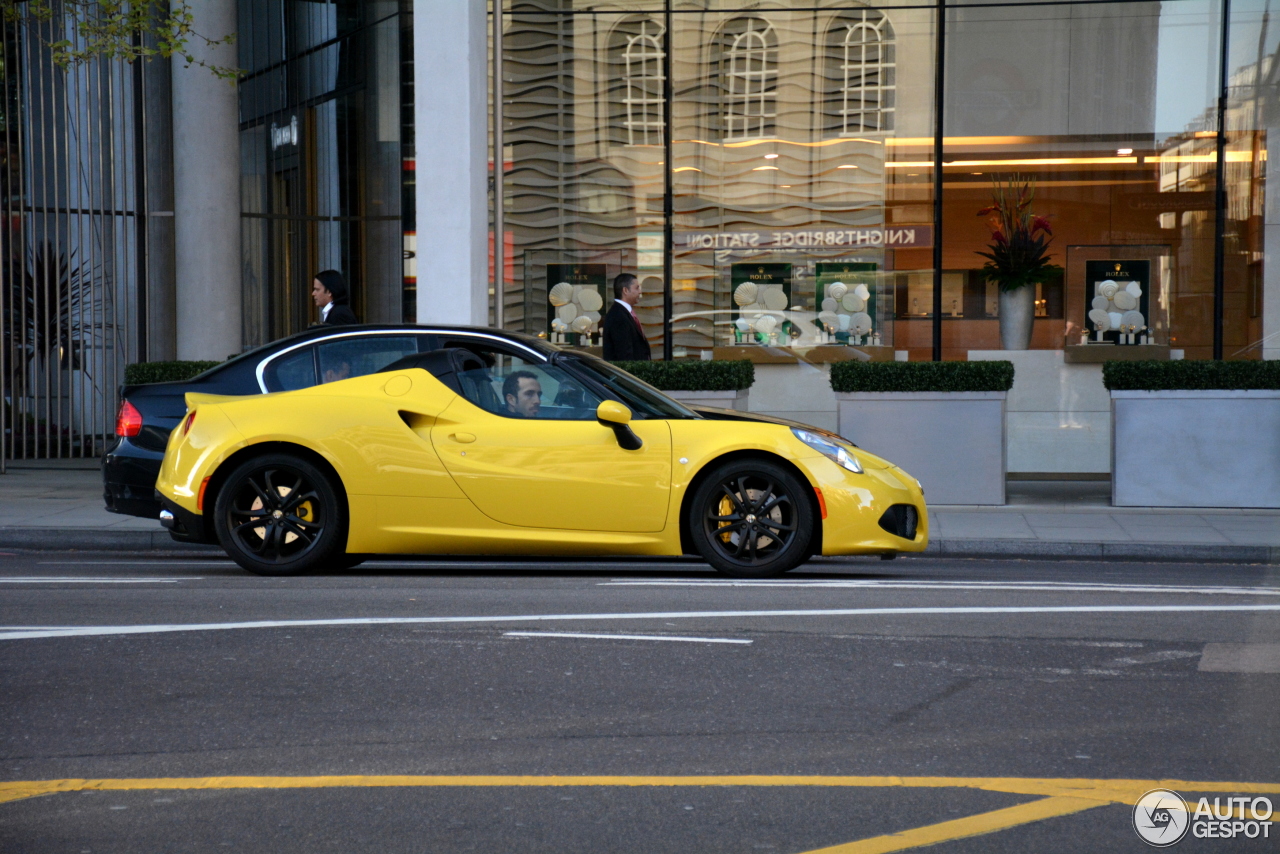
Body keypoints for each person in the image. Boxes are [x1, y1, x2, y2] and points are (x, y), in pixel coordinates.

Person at [602, 273, 651, 361]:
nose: (640, 292)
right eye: (637, 288)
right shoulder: (618, 316)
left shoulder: (623, 313)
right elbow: (624, 355)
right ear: (625, 290)